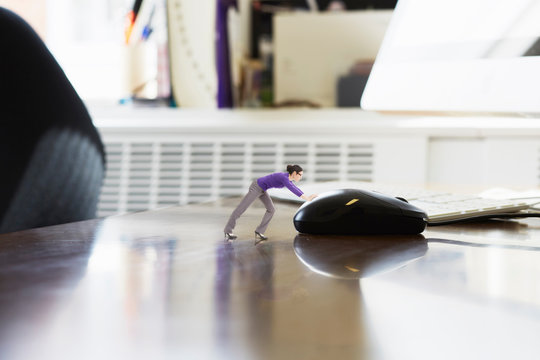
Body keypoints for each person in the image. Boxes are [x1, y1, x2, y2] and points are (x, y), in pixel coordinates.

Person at [224, 165, 317, 240]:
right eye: (300, 174)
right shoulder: (284, 178)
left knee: (271, 209)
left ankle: (259, 231)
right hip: (256, 187)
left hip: (263, 189)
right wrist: (307, 198)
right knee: (241, 208)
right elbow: (293, 189)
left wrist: (307, 197)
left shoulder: (287, 179)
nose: (301, 177)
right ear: (294, 173)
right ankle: (228, 230)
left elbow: (294, 187)